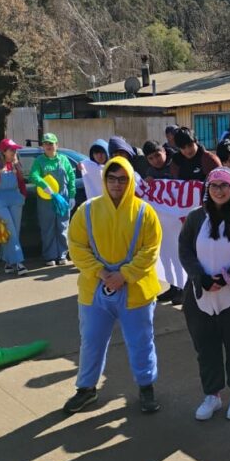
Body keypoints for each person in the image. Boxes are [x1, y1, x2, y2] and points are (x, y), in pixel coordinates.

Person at [64, 157, 163, 414]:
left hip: (137, 290)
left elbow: (151, 250)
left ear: (130, 181)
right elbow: (76, 246)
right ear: (104, 179)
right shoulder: (86, 210)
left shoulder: (145, 212)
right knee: (91, 341)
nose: (116, 184)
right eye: (111, 178)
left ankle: (146, 387)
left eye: (122, 179)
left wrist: (125, 274)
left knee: (141, 342)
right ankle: (86, 389)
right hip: (94, 290)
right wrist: (100, 272)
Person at [177, 167, 230, 421]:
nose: (219, 191)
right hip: (201, 295)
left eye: (224, 186)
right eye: (214, 186)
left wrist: (229, 276)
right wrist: (200, 277)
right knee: (206, 344)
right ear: (207, 188)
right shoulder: (195, 218)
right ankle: (212, 395)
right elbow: (185, 249)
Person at [29, 133, 76, 267]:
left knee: (62, 227)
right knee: (48, 228)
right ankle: (50, 256)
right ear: (43, 146)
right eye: (46, 143)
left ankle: (62, 255)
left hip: (63, 199)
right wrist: (44, 185)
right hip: (46, 200)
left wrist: (72, 195)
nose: (49, 146)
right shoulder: (39, 161)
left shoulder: (63, 160)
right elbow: (33, 175)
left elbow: (71, 177)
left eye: (51, 143)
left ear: (57, 145)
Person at [0, 138, 28, 275]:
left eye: (15, 150)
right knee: (10, 231)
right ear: (3, 152)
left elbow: (22, 183)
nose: (14, 152)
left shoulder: (16, 164)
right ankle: (19, 263)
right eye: (12, 150)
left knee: (15, 232)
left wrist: (23, 196)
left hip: (15, 199)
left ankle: (8, 262)